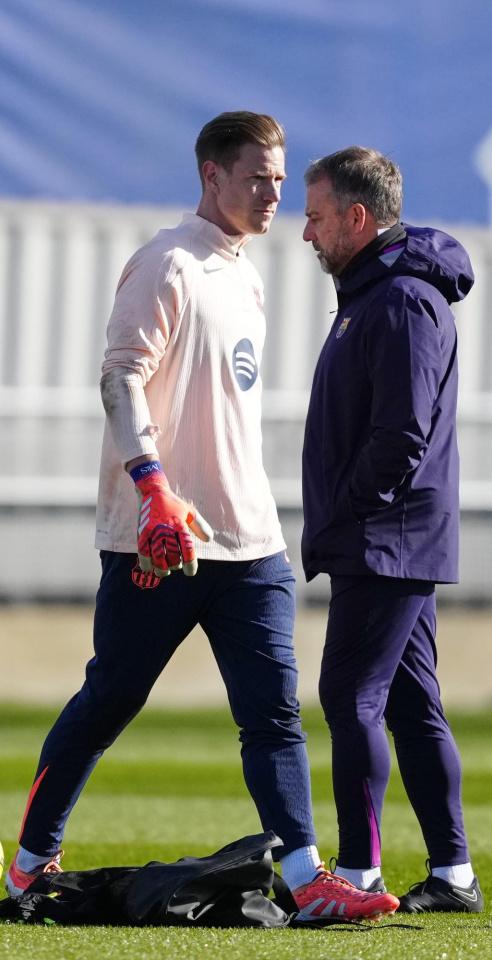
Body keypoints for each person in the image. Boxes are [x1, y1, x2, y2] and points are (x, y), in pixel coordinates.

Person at [5, 114, 398, 922]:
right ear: (212, 175)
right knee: (110, 699)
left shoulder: (248, 276)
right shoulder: (167, 262)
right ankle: (32, 861)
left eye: (282, 180)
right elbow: (119, 380)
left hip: (249, 541)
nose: (274, 194)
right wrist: (153, 491)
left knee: (275, 715)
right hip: (160, 541)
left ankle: (304, 877)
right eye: (258, 177)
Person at [301, 145, 483, 913]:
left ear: (356, 216)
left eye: (314, 217)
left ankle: (361, 871)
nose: (305, 233)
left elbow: (402, 434)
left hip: (388, 537)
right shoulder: (370, 294)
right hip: (384, 534)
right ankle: (454, 875)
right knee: (411, 705)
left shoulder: (403, 300)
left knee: (349, 696)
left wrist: (348, 509)